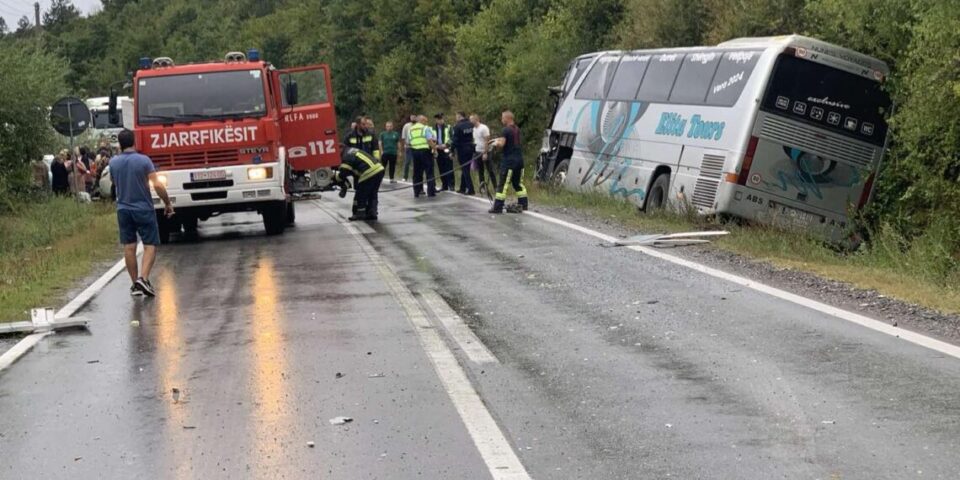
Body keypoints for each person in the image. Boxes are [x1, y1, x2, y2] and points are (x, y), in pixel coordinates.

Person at [109, 129, 174, 297]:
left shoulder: (113, 162)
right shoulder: (144, 160)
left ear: (120, 144)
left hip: (123, 209)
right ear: (134, 142)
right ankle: (143, 279)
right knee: (149, 244)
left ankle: (135, 285)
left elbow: (113, 182)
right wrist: (167, 203)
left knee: (129, 246)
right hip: (143, 208)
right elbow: (157, 185)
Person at [488, 111, 528, 214]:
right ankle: (523, 204)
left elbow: (502, 144)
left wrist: (495, 143)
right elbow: (510, 140)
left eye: (502, 118)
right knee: (518, 184)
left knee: (503, 184)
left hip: (509, 162)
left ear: (507, 118)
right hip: (519, 161)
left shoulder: (505, 130)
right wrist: (496, 139)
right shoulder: (516, 129)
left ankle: (497, 207)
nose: (501, 120)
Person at [333, 145, 385, 221]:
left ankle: (360, 214)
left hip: (369, 172)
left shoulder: (346, 156)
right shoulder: (351, 151)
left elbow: (343, 173)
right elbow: (354, 169)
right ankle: (372, 213)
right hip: (379, 169)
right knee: (373, 193)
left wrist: (334, 178)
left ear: (340, 149)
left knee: (361, 194)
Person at [409, 115, 437, 198]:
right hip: (425, 151)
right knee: (429, 172)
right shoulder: (425, 128)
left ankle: (416, 192)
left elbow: (410, 140)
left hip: (415, 152)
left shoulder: (411, 129)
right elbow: (429, 140)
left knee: (417, 173)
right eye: (426, 121)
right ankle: (431, 192)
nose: (426, 123)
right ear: (422, 120)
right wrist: (434, 148)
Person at [452, 112, 475, 195]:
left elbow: (455, 140)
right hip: (471, 148)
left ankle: (471, 189)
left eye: (456, 117)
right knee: (465, 168)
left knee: (465, 169)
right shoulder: (471, 124)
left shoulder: (457, 126)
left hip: (462, 149)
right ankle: (462, 188)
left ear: (459, 116)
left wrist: (452, 151)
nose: (455, 118)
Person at [471, 114, 496, 190]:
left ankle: (496, 187)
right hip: (477, 151)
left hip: (485, 151)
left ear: (476, 119)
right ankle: (482, 187)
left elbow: (487, 140)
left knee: (490, 170)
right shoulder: (473, 129)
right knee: (480, 170)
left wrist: (485, 153)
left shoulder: (483, 128)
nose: (470, 121)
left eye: (471, 119)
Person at [433, 113, 454, 191]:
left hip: (446, 149)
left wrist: (446, 144)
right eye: (438, 119)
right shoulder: (432, 128)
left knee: (449, 167)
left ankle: (451, 185)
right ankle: (444, 185)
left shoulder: (448, 127)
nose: (440, 120)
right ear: (436, 120)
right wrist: (436, 146)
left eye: (441, 119)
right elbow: (431, 139)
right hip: (438, 150)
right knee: (441, 168)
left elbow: (452, 137)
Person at [400, 114, 416, 182]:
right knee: (407, 162)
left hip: (416, 146)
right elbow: (403, 137)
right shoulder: (406, 126)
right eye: (412, 117)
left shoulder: (418, 126)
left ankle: (415, 177)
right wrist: (403, 147)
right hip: (408, 146)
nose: (413, 118)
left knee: (416, 162)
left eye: (414, 117)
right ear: (410, 118)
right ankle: (405, 176)